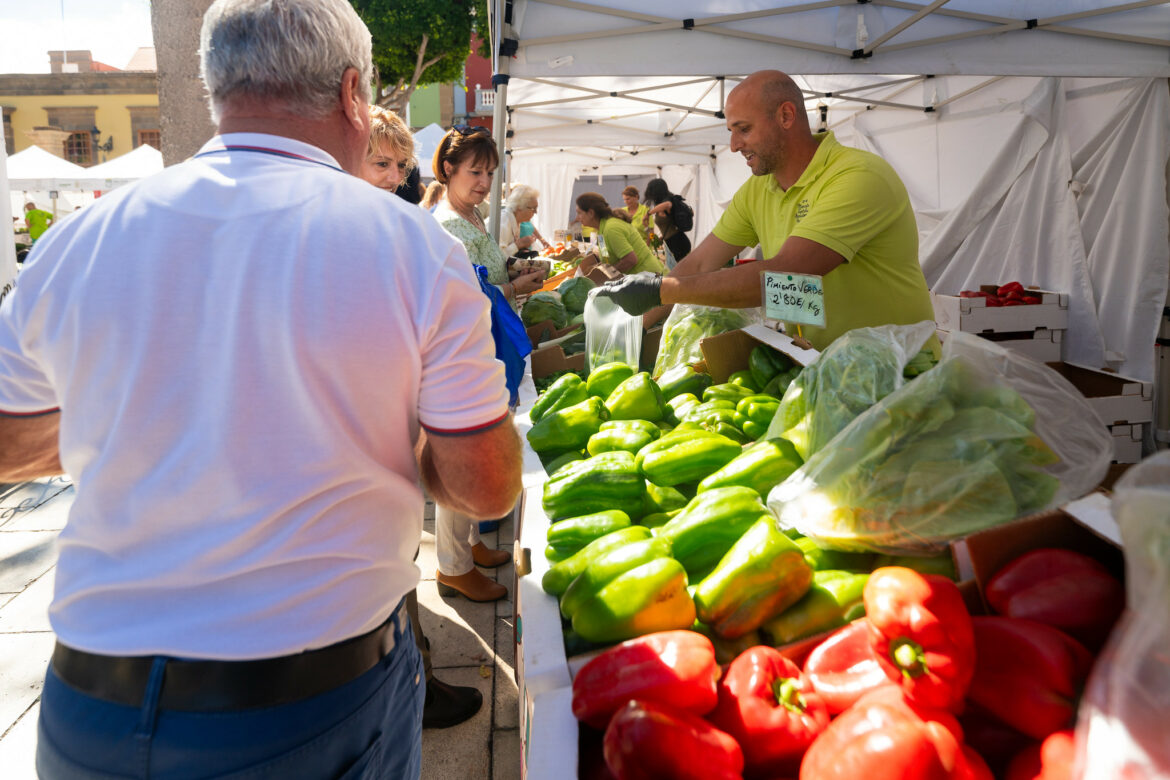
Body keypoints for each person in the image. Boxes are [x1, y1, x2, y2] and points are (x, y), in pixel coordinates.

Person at [0, 1, 523, 778]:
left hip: (88, 703)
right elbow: (485, 486)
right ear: (352, 94)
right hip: (305, 705)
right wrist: (371, 428)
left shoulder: (81, 237)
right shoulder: (410, 245)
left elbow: (9, 444)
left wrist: (143, 412)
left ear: (218, 88)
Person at [595, 69, 937, 353]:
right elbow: (699, 263)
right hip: (821, 364)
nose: (733, 146)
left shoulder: (858, 176)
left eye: (744, 129)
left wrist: (660, 289)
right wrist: (633, 323)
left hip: (900, 369)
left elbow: (784, 276)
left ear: (786, 116)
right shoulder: (759, 189)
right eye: (731, 132)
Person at [360, 103, 486, 730]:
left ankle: (417, 675)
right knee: (390, 565)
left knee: (400, 557)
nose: (389, 176)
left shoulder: (399, 226)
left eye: (398, 165)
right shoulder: (384, 231)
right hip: (372, 434)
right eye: (377, 162)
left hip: (392, 426)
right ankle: (418, 684)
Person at [430, 124, 541, 603]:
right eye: (474, 171)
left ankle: (470, 544)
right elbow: (470, 295)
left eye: (490, 173)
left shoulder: (471, 215)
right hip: (466, 351)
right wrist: (517, 287)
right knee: (465, 457)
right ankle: (452, 566)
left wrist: (513, 272)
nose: (483, 182)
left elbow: (488, 273)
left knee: (478, 450)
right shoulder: (449, 224)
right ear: (448, 168)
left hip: (484, 345)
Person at [575, 191, 665, 276]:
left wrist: (607, 275)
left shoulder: (611, 229)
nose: (577, 218)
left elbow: (630, 260)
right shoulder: (601, 231)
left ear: (591, 213)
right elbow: (606, 259)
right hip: (638, 279)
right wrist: (596, 269)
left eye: (579, 213)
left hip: (649, 278)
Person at [643, 178, 692, 263]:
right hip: (672, 241)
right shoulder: (661, 204)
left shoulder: (667, 202)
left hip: (677, 242)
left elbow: (668, 204)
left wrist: (648, 214)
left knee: (679, 271)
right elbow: (653, 232)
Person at [500, 184, 545, 258]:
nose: (536, 212)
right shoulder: (504, 222)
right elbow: (497, 257)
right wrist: (519, 244)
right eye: (533, 208)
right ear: (519, 207)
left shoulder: (515, 220)